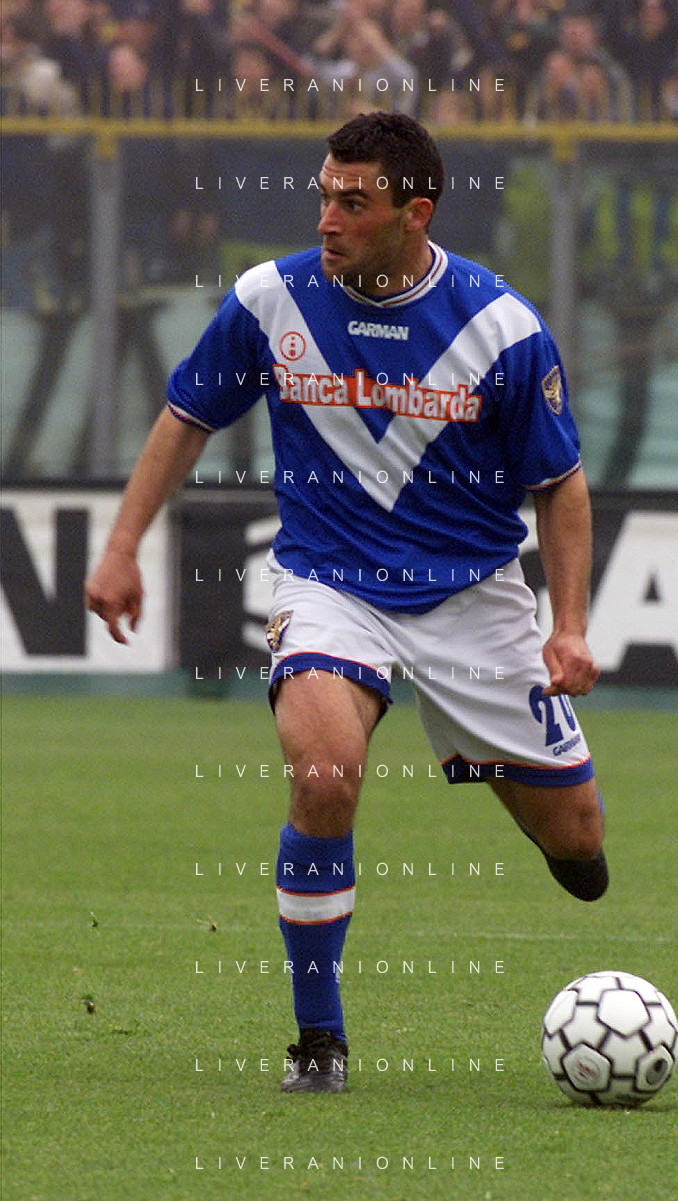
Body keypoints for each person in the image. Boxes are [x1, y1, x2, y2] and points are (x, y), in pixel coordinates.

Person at [85, 111, 608, 1095]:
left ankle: (491, 759)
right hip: (329, 582)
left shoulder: (500, 328)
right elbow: (186, 417)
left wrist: (570, 626)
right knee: (324, 774)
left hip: (472, 596)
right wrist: (120, 549)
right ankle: (317, 1040)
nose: (327, 219)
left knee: (580, 845)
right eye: (324, 195)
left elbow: (560, 485)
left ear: (416, 213)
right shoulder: (270, 299)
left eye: (353, 203)